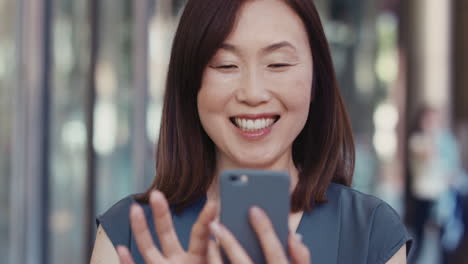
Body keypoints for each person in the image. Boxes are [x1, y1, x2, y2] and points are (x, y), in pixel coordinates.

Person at [90, 0, 413, 263]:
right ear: (191, 84)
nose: (253, 92)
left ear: (316, 79)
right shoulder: (127, 232)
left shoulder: (372, 234)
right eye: (226, 65)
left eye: (278, 64)